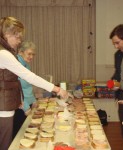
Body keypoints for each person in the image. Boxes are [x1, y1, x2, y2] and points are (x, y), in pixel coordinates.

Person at [0, 16, 73, 150]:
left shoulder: (5, 52)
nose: (19, 41)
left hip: (7, 107)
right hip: (3, 110)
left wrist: (19, 98)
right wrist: (57, 89)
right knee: (5, 145)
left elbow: (13, 82)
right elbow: (29, 77)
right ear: (7, 34)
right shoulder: (4, 54)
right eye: (18, 37)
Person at [13, 41, 37, 138]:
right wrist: (26, 106)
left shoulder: (26, 65)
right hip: (21, 107)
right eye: (29, 54)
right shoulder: (16, 65)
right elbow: (17, 90)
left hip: (28, 104)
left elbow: (27, 86)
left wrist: (33, 100)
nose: (31, 57)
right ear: (20, 52)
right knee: (20, 137)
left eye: (33, 54)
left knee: (29, 136)